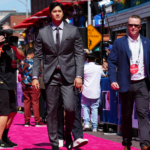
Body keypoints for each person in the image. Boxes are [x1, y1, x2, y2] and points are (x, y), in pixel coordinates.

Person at [32, 2, 84, 150]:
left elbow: (80, 55)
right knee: (52, 111)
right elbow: (37, 56)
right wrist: (35, 76)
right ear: (50, 14)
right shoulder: (42, 33)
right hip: (50, 76)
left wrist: (79, 76)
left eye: (59, 11)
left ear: (62, 13)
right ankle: (54, 142)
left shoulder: (73, 31)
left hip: (69, 76)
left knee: (70, 108)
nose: (57, 13)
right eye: (54, 11)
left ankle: (67, 133)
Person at [108, 15, 150, 150]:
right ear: (127, 26)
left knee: (143, 113)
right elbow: (112, 62)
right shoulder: (119, 43)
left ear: (140, 27)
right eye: (130, 25)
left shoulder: (147, 42)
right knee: (126, 115)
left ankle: (145, 144)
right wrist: (113, 80)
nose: (133, 27)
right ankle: (127, 143)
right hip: (125, 84)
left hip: (142, 83)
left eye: (136, 25)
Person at [0, 24, 24, 148]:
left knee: (13, 111)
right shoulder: (1, 47)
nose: (7, 36)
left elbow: (22, 56)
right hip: (1, 83)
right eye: (5, 33)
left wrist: (14, 47)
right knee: (4, 112)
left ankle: (4, 136)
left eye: (9, 33)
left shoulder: (12, 46)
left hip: (11, 84)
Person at [19, 47, 44, 127]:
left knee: (26, 102)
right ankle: (37, 121)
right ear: (33, 54)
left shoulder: (22, 62)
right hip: (34, 85)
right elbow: (40, 74)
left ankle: (26, 122)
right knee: (35, 102)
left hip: (24, 85)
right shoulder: (35, 62)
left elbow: (20, 72)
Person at [81, 53, 105, 132]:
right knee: (94, 108)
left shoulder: (84, 67)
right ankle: (94, 126)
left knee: (85, 106)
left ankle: (86, 123)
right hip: (95, 90)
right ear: (95, 60)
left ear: (87, 59)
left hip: (86, 89)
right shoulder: (98, 68)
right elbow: (103, 75)